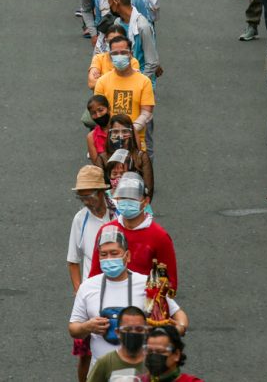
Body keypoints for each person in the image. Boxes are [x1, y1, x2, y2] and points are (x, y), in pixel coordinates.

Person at [70, 225, 186, 364]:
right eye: (104, 254)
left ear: (128, 256)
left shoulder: (147, 284)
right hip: (100, 370)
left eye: (114, 253)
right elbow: (73, 327)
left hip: (141, 370)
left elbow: (178, 314)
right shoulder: (87, 287)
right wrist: (87, 327)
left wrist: (179, 329)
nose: (109, 258)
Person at [87, 173, 177, 290]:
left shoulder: (160, 237)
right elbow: (95, 274)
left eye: (132, 198)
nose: (127, 202)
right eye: (123, 197)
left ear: (146, 201)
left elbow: (170, 283)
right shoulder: (106, 231)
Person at [68, 164, 114, 382]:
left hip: (119, 292)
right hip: (90, 298)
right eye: (82, 197)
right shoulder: (80, 219)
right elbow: (73, 260)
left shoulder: (118, 216)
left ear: (102, 192)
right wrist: (79, 293)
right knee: (85, 354)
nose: (86, 202)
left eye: (89, 196)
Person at [93, 35, 155, 150]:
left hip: (136, 143)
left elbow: (146, 113)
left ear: (131, 54)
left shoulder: (144, 82)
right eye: (115, 53)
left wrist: (130, 130)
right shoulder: (102, 82)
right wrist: (114, 133)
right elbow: (99, 113)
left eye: (123, 52)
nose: (119, 56)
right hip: (109, 142)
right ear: (110, 56)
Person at [85, 305, 147, 381]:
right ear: (118, 333)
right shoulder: (105, 363)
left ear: (146, 331)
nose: (133, 333)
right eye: (128, 329)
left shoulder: (154, 362)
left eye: (139, 329)